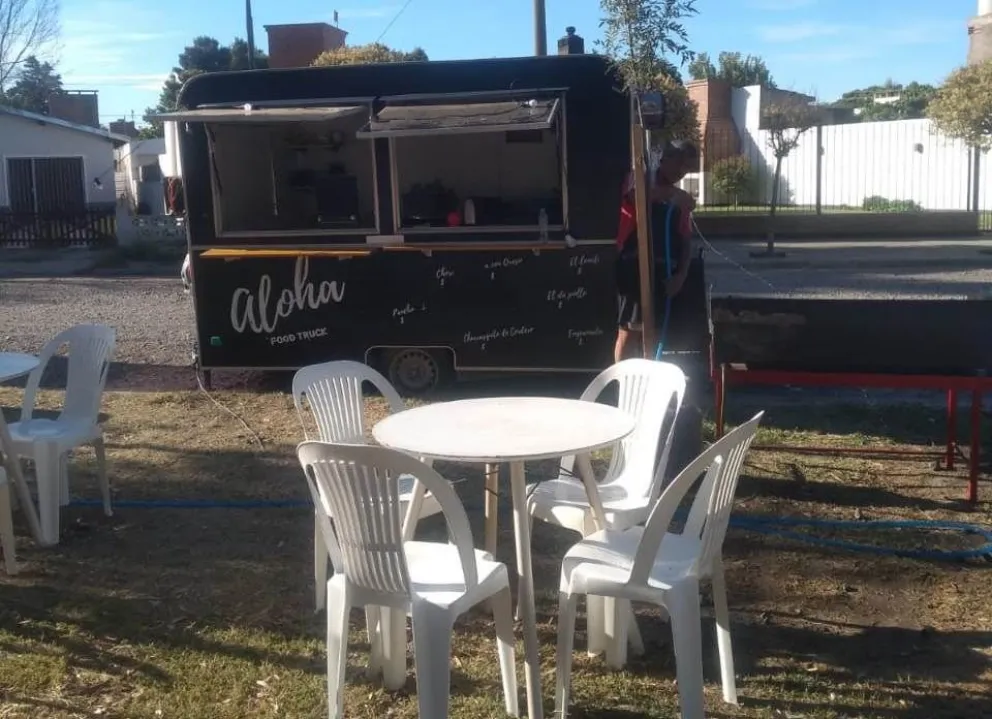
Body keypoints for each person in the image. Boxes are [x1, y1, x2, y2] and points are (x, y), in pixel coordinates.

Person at [614, 140, 699, 362]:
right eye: (680, 165)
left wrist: (681, 276)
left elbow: (686, 239)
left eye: (687, 168)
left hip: (663, 272)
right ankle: (622, 386)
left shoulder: (679, 200)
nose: (682, 172)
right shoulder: (639, 177)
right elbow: (636, 197)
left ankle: (647, 379)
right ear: (665, 160)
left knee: (652, 332)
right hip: (634, 266)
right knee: (630, 329)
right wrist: (672, 194)